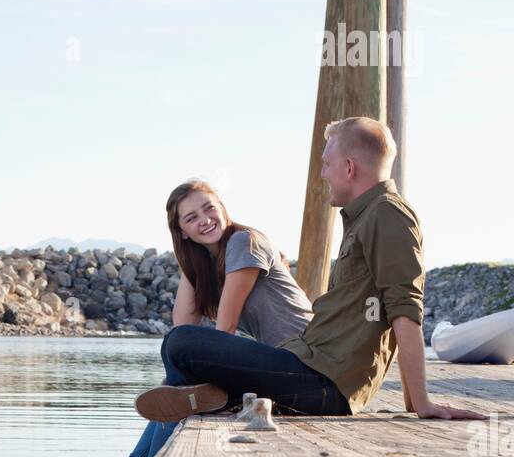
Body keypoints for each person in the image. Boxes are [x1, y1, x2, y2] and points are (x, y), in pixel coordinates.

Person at [135, 117, 488, 434]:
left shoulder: (388, 215)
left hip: (326, 382)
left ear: (349, 167)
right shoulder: (365, 217)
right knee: (180, 345)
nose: (322, 173)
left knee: (181, 343)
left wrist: (421, 403)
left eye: (327, 163)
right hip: (309, 364)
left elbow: (404, 310)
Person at [53, 180, 321, 457]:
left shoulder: (243, 241)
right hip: (283, 371)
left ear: (223, 207)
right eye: (191, 219)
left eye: (209, 208)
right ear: (182, 233)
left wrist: (193, 370)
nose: (205, 220)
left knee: (183, 360)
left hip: (308, 369)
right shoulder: (212, 260)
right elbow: (183, 322)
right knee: (182, 372)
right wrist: (191, 262)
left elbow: (220, 334)